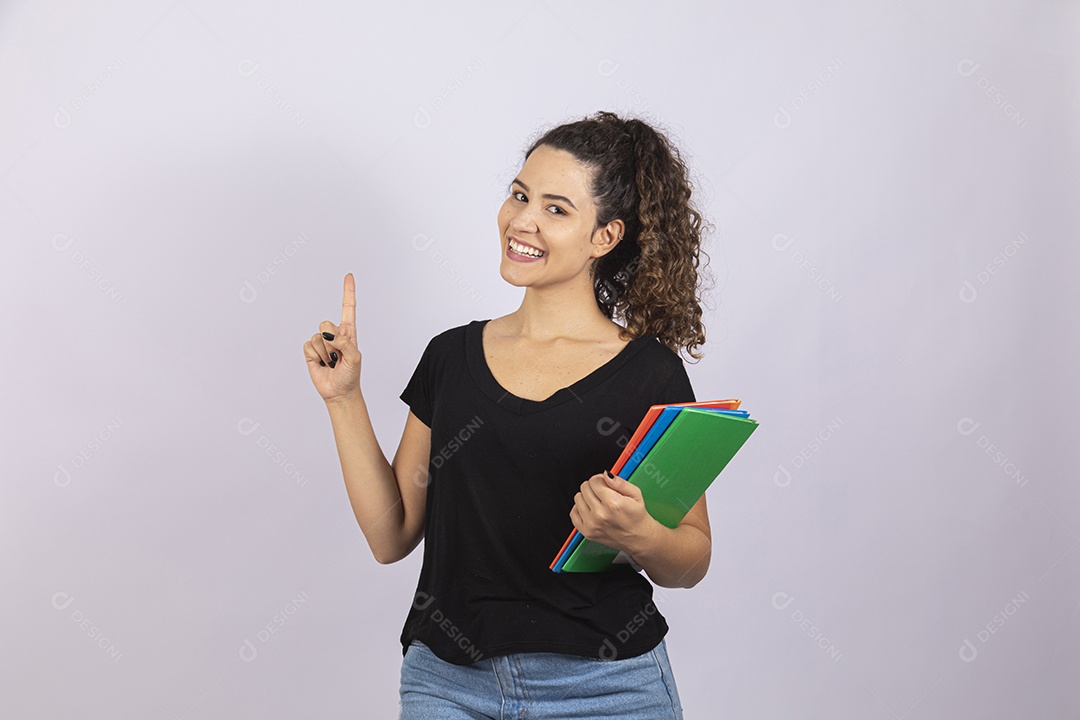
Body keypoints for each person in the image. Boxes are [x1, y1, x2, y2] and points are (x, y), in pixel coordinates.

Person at [303, 110, 712, 720]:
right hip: (447, 683)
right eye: (520, 195)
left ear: (605, 237)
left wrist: (639, 534)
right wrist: (344, 399)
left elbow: (692, 557)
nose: (521, 221)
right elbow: (392, 537)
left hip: (609, 688)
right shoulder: (451, 357)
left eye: (556, 208)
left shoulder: (649, 373)